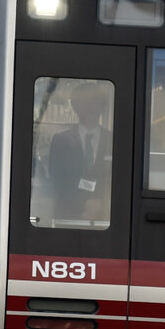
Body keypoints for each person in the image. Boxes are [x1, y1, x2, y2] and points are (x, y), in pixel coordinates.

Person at [47, 82, 113, 223]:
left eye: (94, 102)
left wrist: (102, 205)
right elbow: (56, 180)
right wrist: (85, 205)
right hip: (67, 218)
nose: (89, 107)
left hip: (106, 219)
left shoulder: (114, 141)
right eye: (84, 102)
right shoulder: (60, 141)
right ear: (75, 107)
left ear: (102, 107)